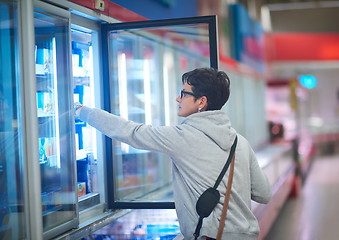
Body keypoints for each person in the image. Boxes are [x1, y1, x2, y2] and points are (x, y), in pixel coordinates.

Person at [74, 67, 271, 240]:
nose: (178, 98)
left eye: (184, 93)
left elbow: (131, 132)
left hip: (210, 235)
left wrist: (82, 111)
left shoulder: (183, 137)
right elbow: (264, 194)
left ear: (201, 101)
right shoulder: (240, 142)